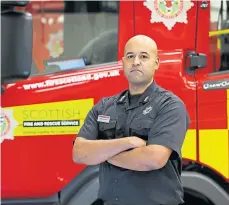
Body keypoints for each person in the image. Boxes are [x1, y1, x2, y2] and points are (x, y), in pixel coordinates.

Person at [72, 35, 190, 205]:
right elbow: (79, 153)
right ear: (123, 63)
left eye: (143, 56)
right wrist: (128, 142)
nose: (136, 62)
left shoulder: (170, 105)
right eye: (130, 56)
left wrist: (103, 155)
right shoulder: (104, 106)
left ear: (156, 63)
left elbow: (153, 159)